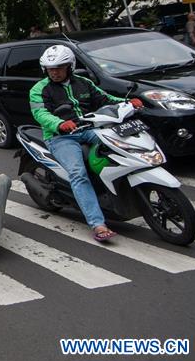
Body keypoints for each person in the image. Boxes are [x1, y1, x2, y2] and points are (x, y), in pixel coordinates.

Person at [29, 45, 143, 242]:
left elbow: (105, 99)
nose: (54, 72)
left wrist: (128, 103)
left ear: (69, 66)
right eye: (50, 68)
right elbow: (40, 114)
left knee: (125, 149)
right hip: (61, 137)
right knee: (78, 173)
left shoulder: (83, 82)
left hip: (91, 130)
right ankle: (97, 223)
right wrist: (60, 124)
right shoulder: (39, 89)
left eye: (59, 67)